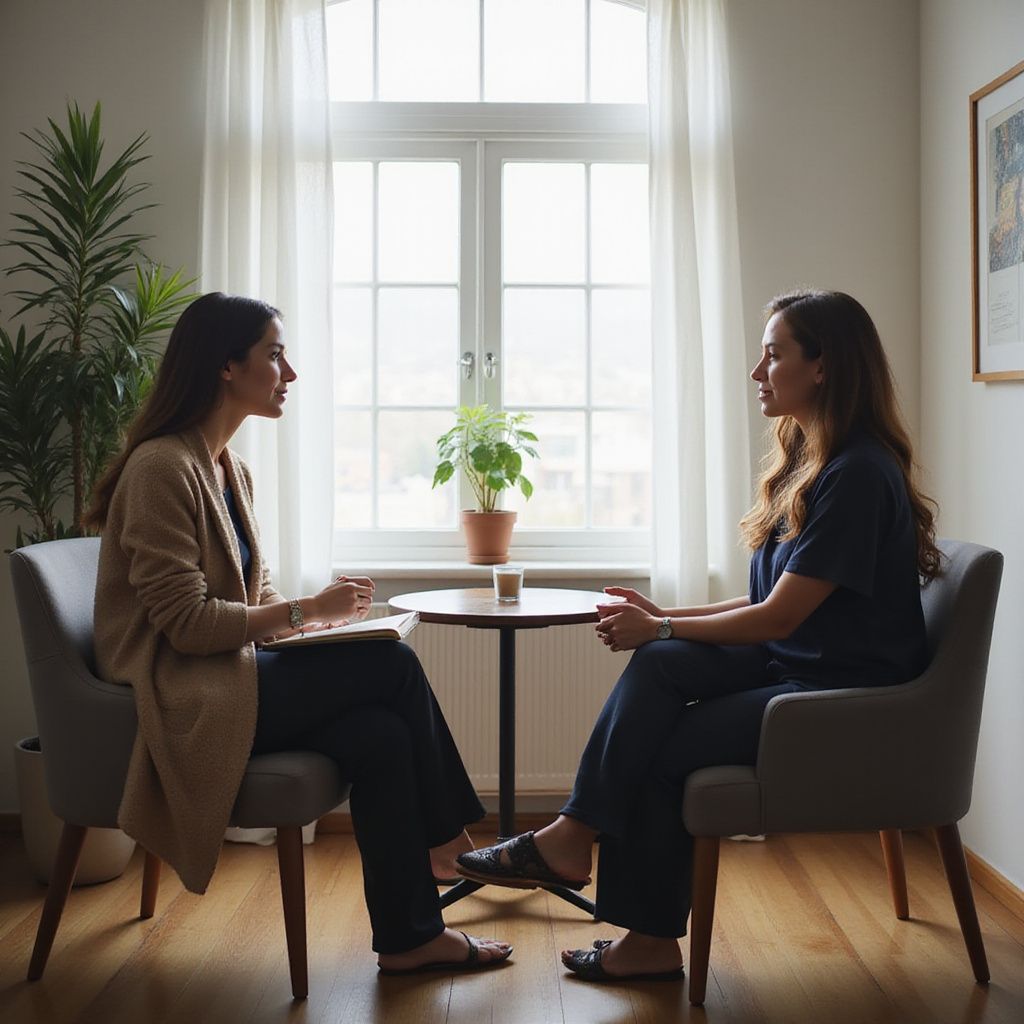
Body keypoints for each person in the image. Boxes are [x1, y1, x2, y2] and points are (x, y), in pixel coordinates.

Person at [456, 289, 939, 982]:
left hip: (839, 691)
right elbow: (774, 601)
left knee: (663, 745)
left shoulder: (859, 475)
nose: (758, 371)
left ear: (824, 366)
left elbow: (778, 618)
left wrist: (662, 623)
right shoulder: (817, 461)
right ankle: (573, 839)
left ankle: (636, 925)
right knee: (661, 662)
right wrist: (666, 621)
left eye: (773, 354)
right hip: (796, 662)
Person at [86, 292, 511, 974]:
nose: (290, 372)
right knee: (393, 669)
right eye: (275, 354)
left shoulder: (229, 469)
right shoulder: (161, 469)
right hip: (188, 691)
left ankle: (410, 939)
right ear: (227, 366)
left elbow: (258, 599)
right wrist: (308, 611)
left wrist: (327, 624)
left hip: (237, 674)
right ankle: (447, 840)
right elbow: (190, 628)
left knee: (383, 735)